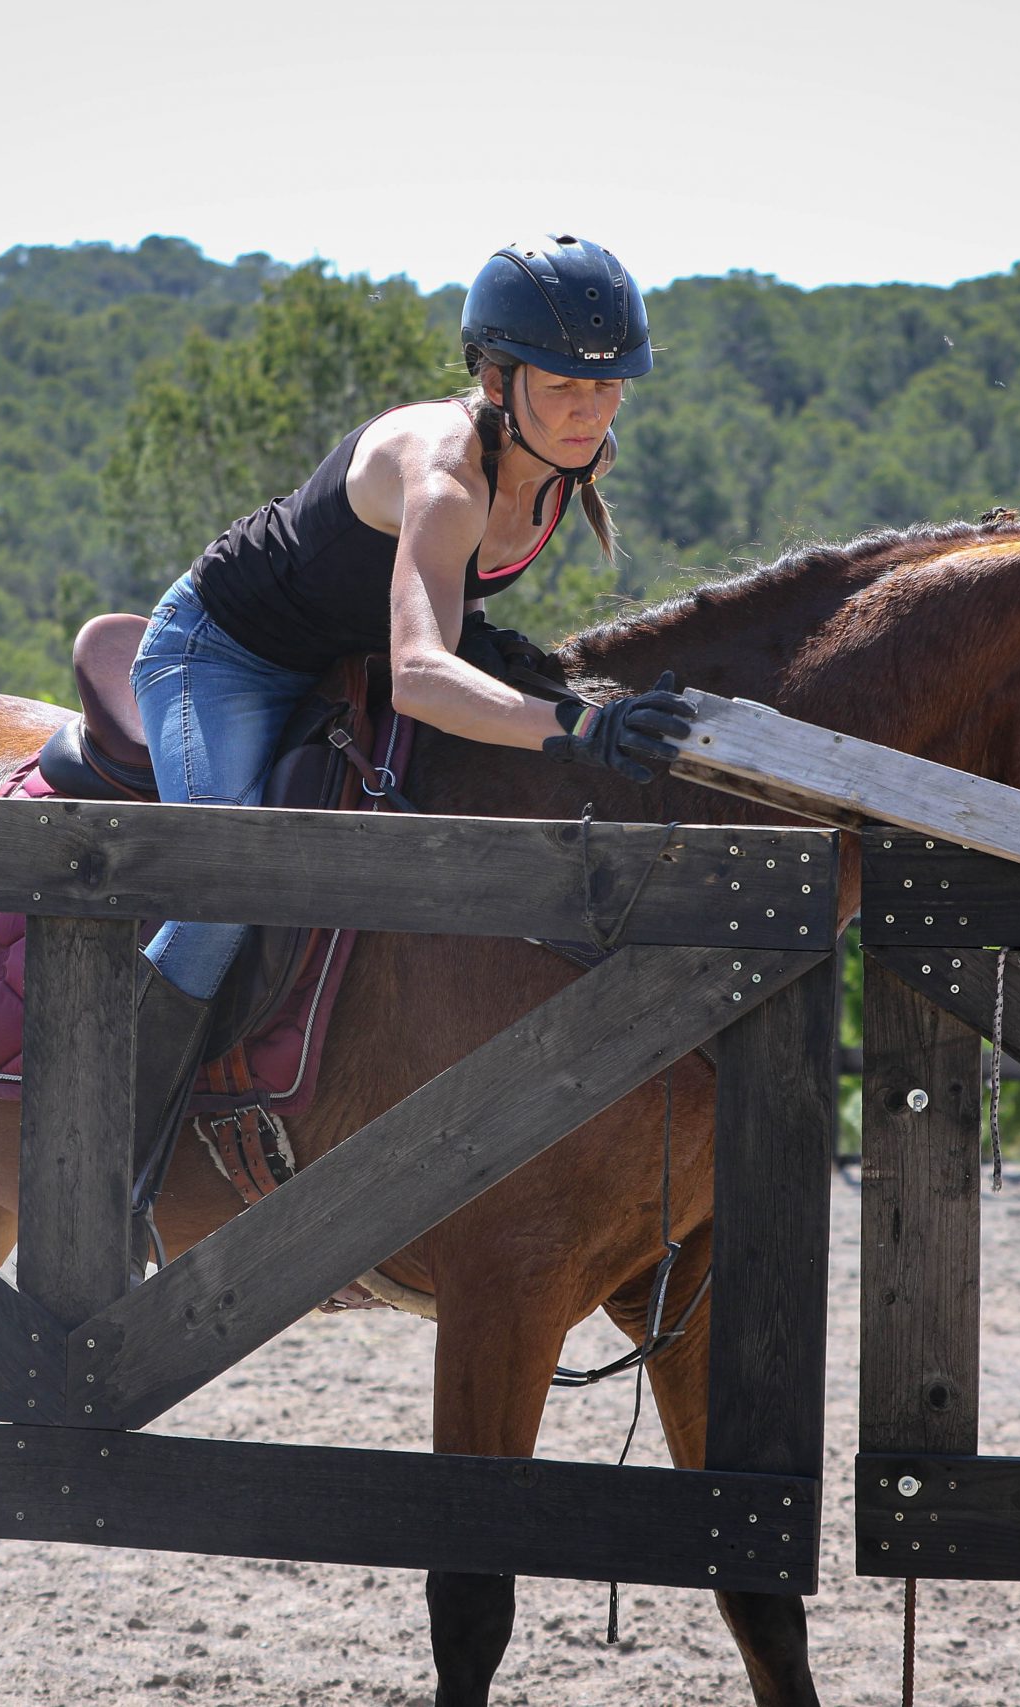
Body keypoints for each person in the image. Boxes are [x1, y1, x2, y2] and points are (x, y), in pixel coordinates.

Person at [122, 234, 694, 1204]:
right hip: (221, 657)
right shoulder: (445, 471)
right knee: (225, 878)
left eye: (607, 388)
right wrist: (581, 730)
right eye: (562, 386)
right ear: (497, 378)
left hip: (344, 663)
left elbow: (443, 624)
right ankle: (100, 1151)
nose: (588, 411)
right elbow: (423, 678)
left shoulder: (572, 456)